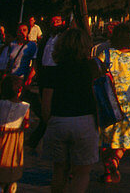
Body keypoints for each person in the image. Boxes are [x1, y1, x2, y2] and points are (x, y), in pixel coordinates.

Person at [41, 27, 99, 193]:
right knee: (82, 173)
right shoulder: (92, 68)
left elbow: (46, 102)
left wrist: (49, 121)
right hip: (85, 120)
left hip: (58, 120)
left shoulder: (53, 70)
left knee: (59, 170)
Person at [95, 22, 130, 184]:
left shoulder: (106, 54)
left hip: (107, 102)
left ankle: (107, 171)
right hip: (128, 104)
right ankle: (115, 161)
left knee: (104, 140)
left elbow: (97, 77)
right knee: (123, 139)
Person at [0, 76, 30, 192]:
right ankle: (6, 184)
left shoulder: (1, 103)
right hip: (14, 139)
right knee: (10, 161)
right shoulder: (25, 106)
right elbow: (26, 124)